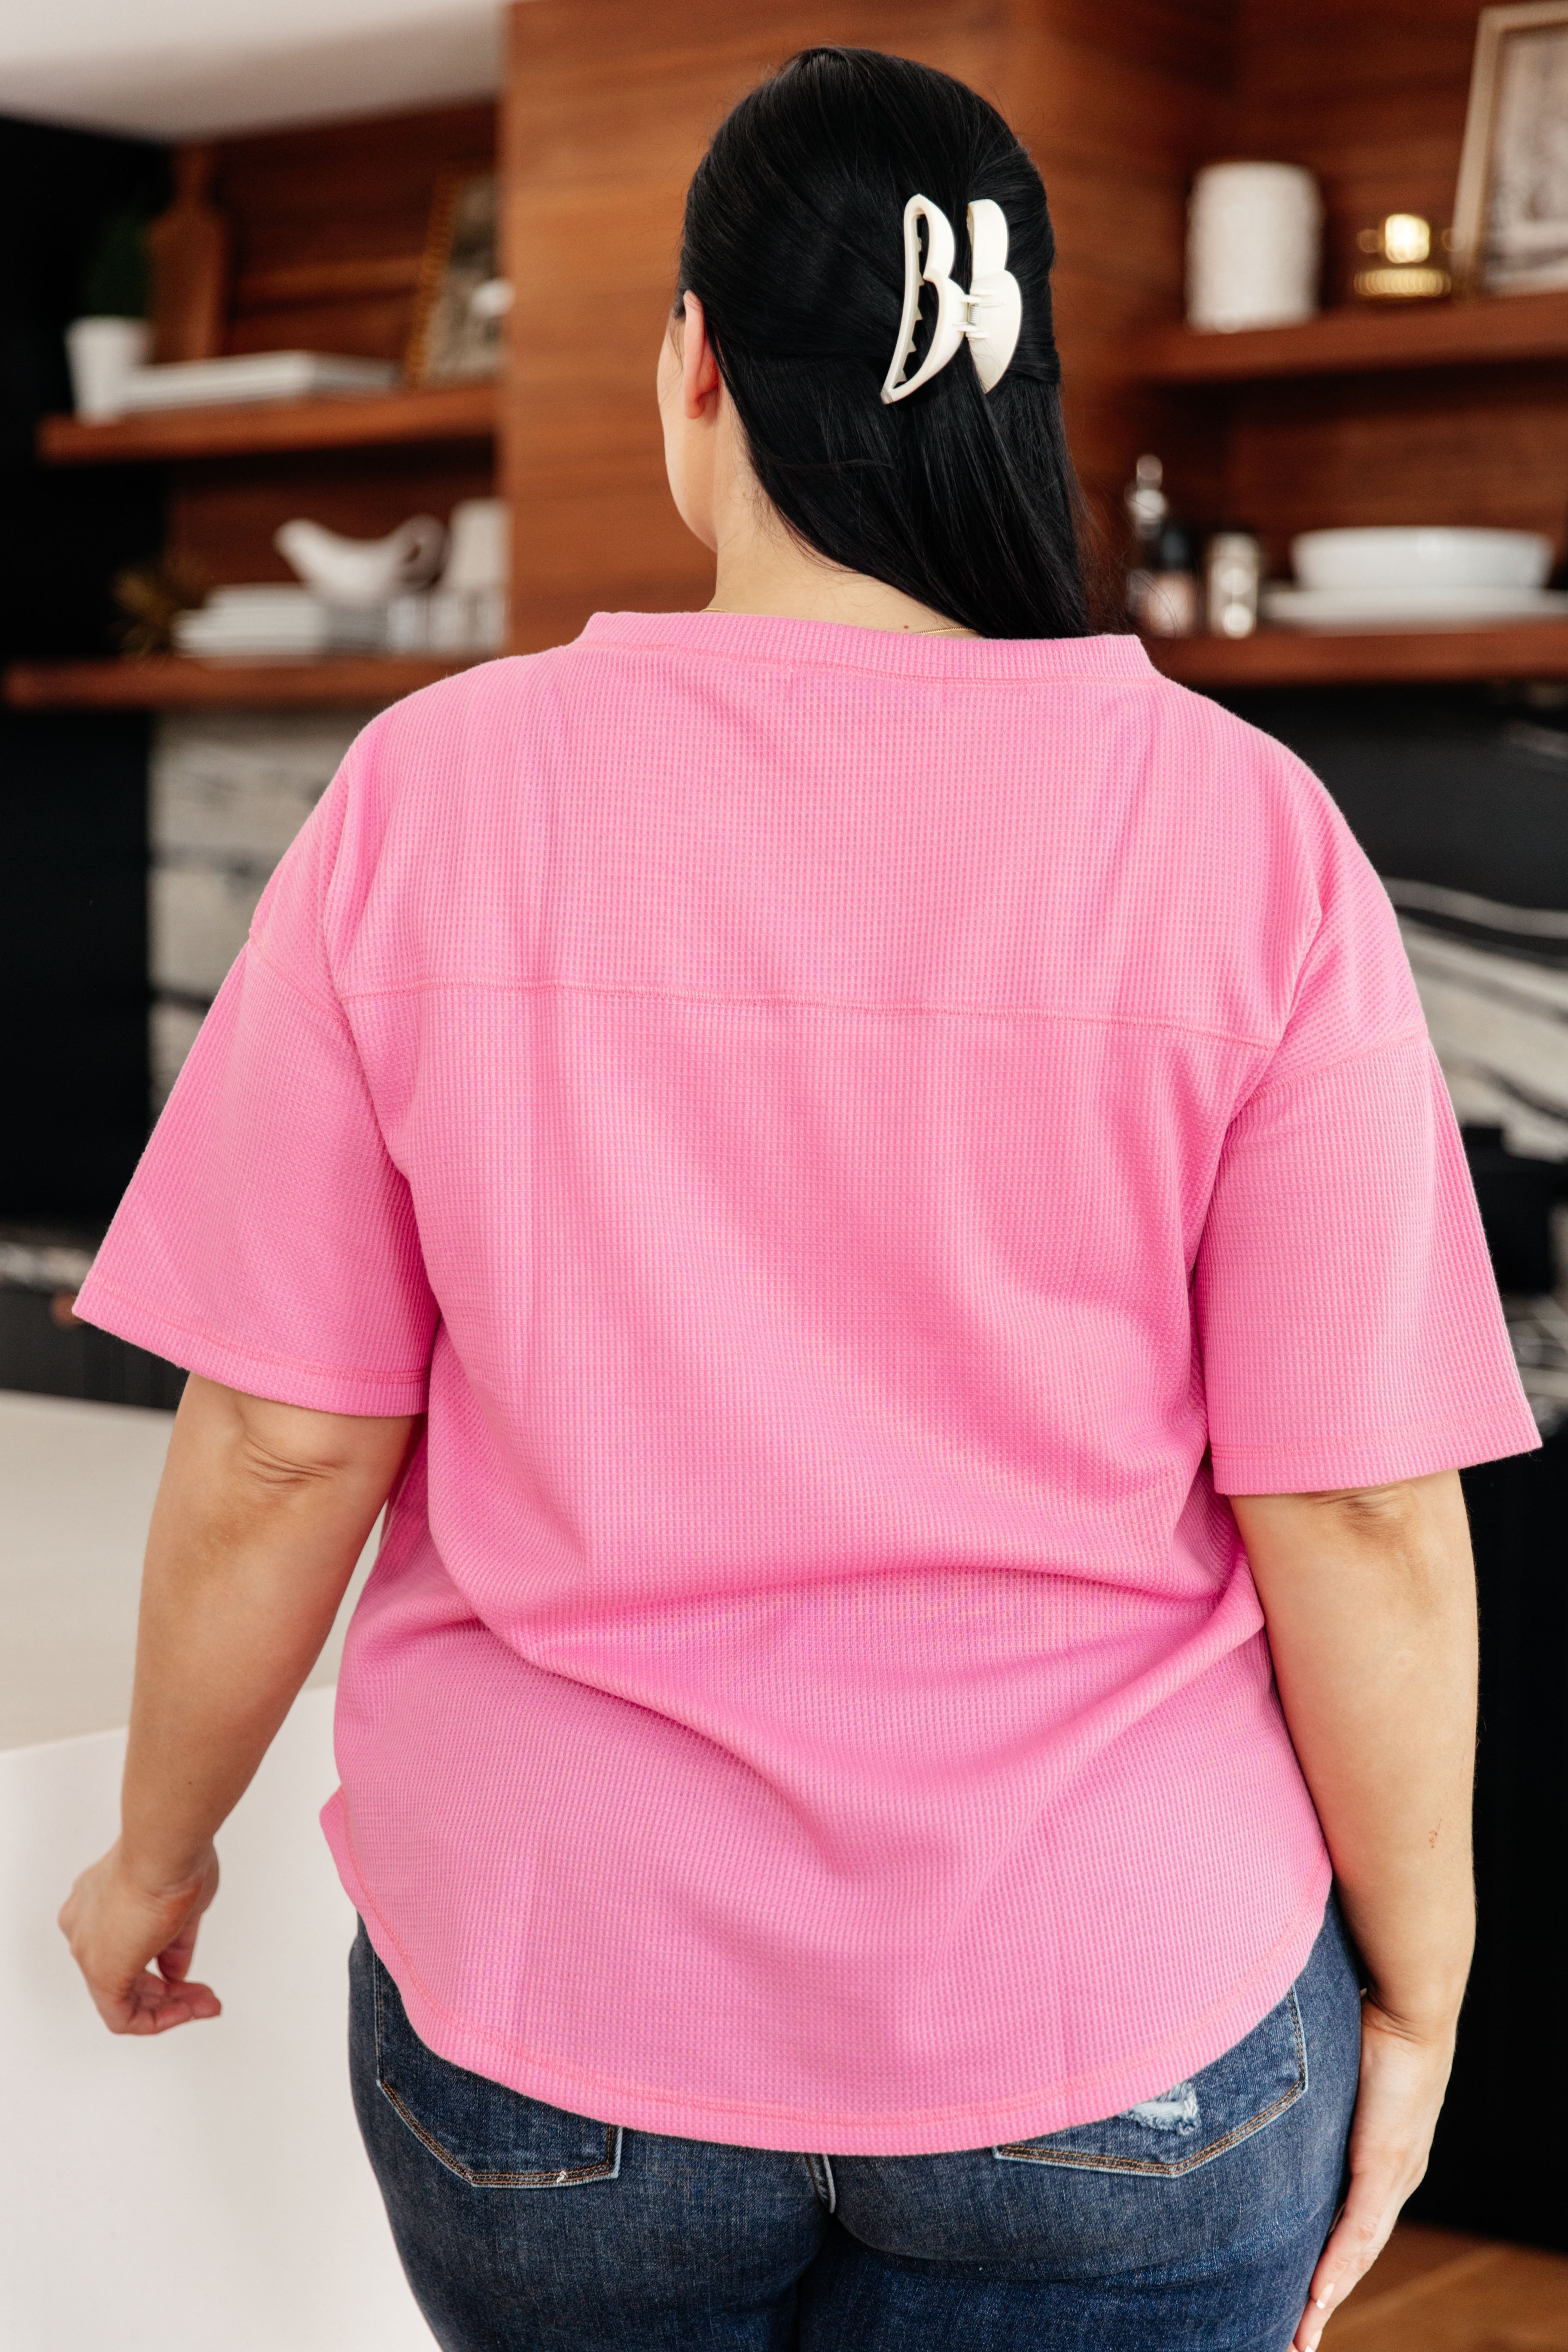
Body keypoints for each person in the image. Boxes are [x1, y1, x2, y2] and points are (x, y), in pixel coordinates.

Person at [60, 46, 1536, 2352]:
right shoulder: (1243, 832)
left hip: (560, 2011)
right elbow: (1355, 1507)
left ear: (695, 365)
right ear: (1015, 391)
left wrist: (161, 1846)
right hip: (1111, 2007)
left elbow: (277, 1444)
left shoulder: (429, 797)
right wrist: (1421, 1981)